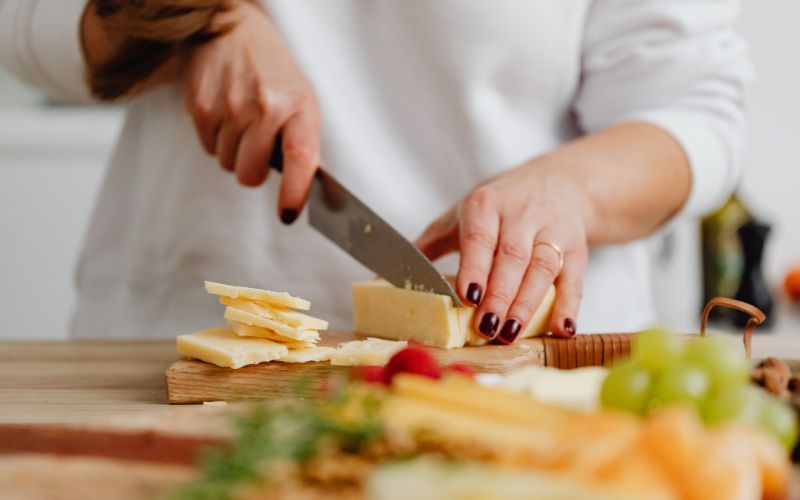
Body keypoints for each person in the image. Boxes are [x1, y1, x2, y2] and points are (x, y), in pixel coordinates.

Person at [0, 0, 752, 342]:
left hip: (531, 371)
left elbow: (695, 108)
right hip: (179, 352)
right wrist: (193, 21)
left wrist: (568, 187)